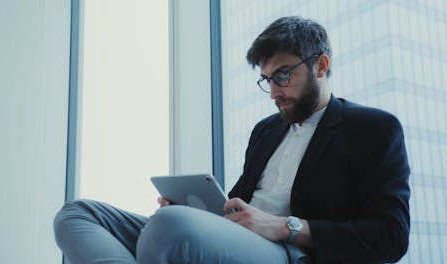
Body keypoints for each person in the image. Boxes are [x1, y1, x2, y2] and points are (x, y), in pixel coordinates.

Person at [54, 16, 410, 263]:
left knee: (168, 227)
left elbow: (391, 236)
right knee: (78, 214)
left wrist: (284, 227)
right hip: (239, 239)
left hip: (289, 252)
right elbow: (237, 204)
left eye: (283, 76)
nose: (273, 92)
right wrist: (196, 212)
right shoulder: (266, 130)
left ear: (320, 65)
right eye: (267, 79)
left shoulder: (373, 128)